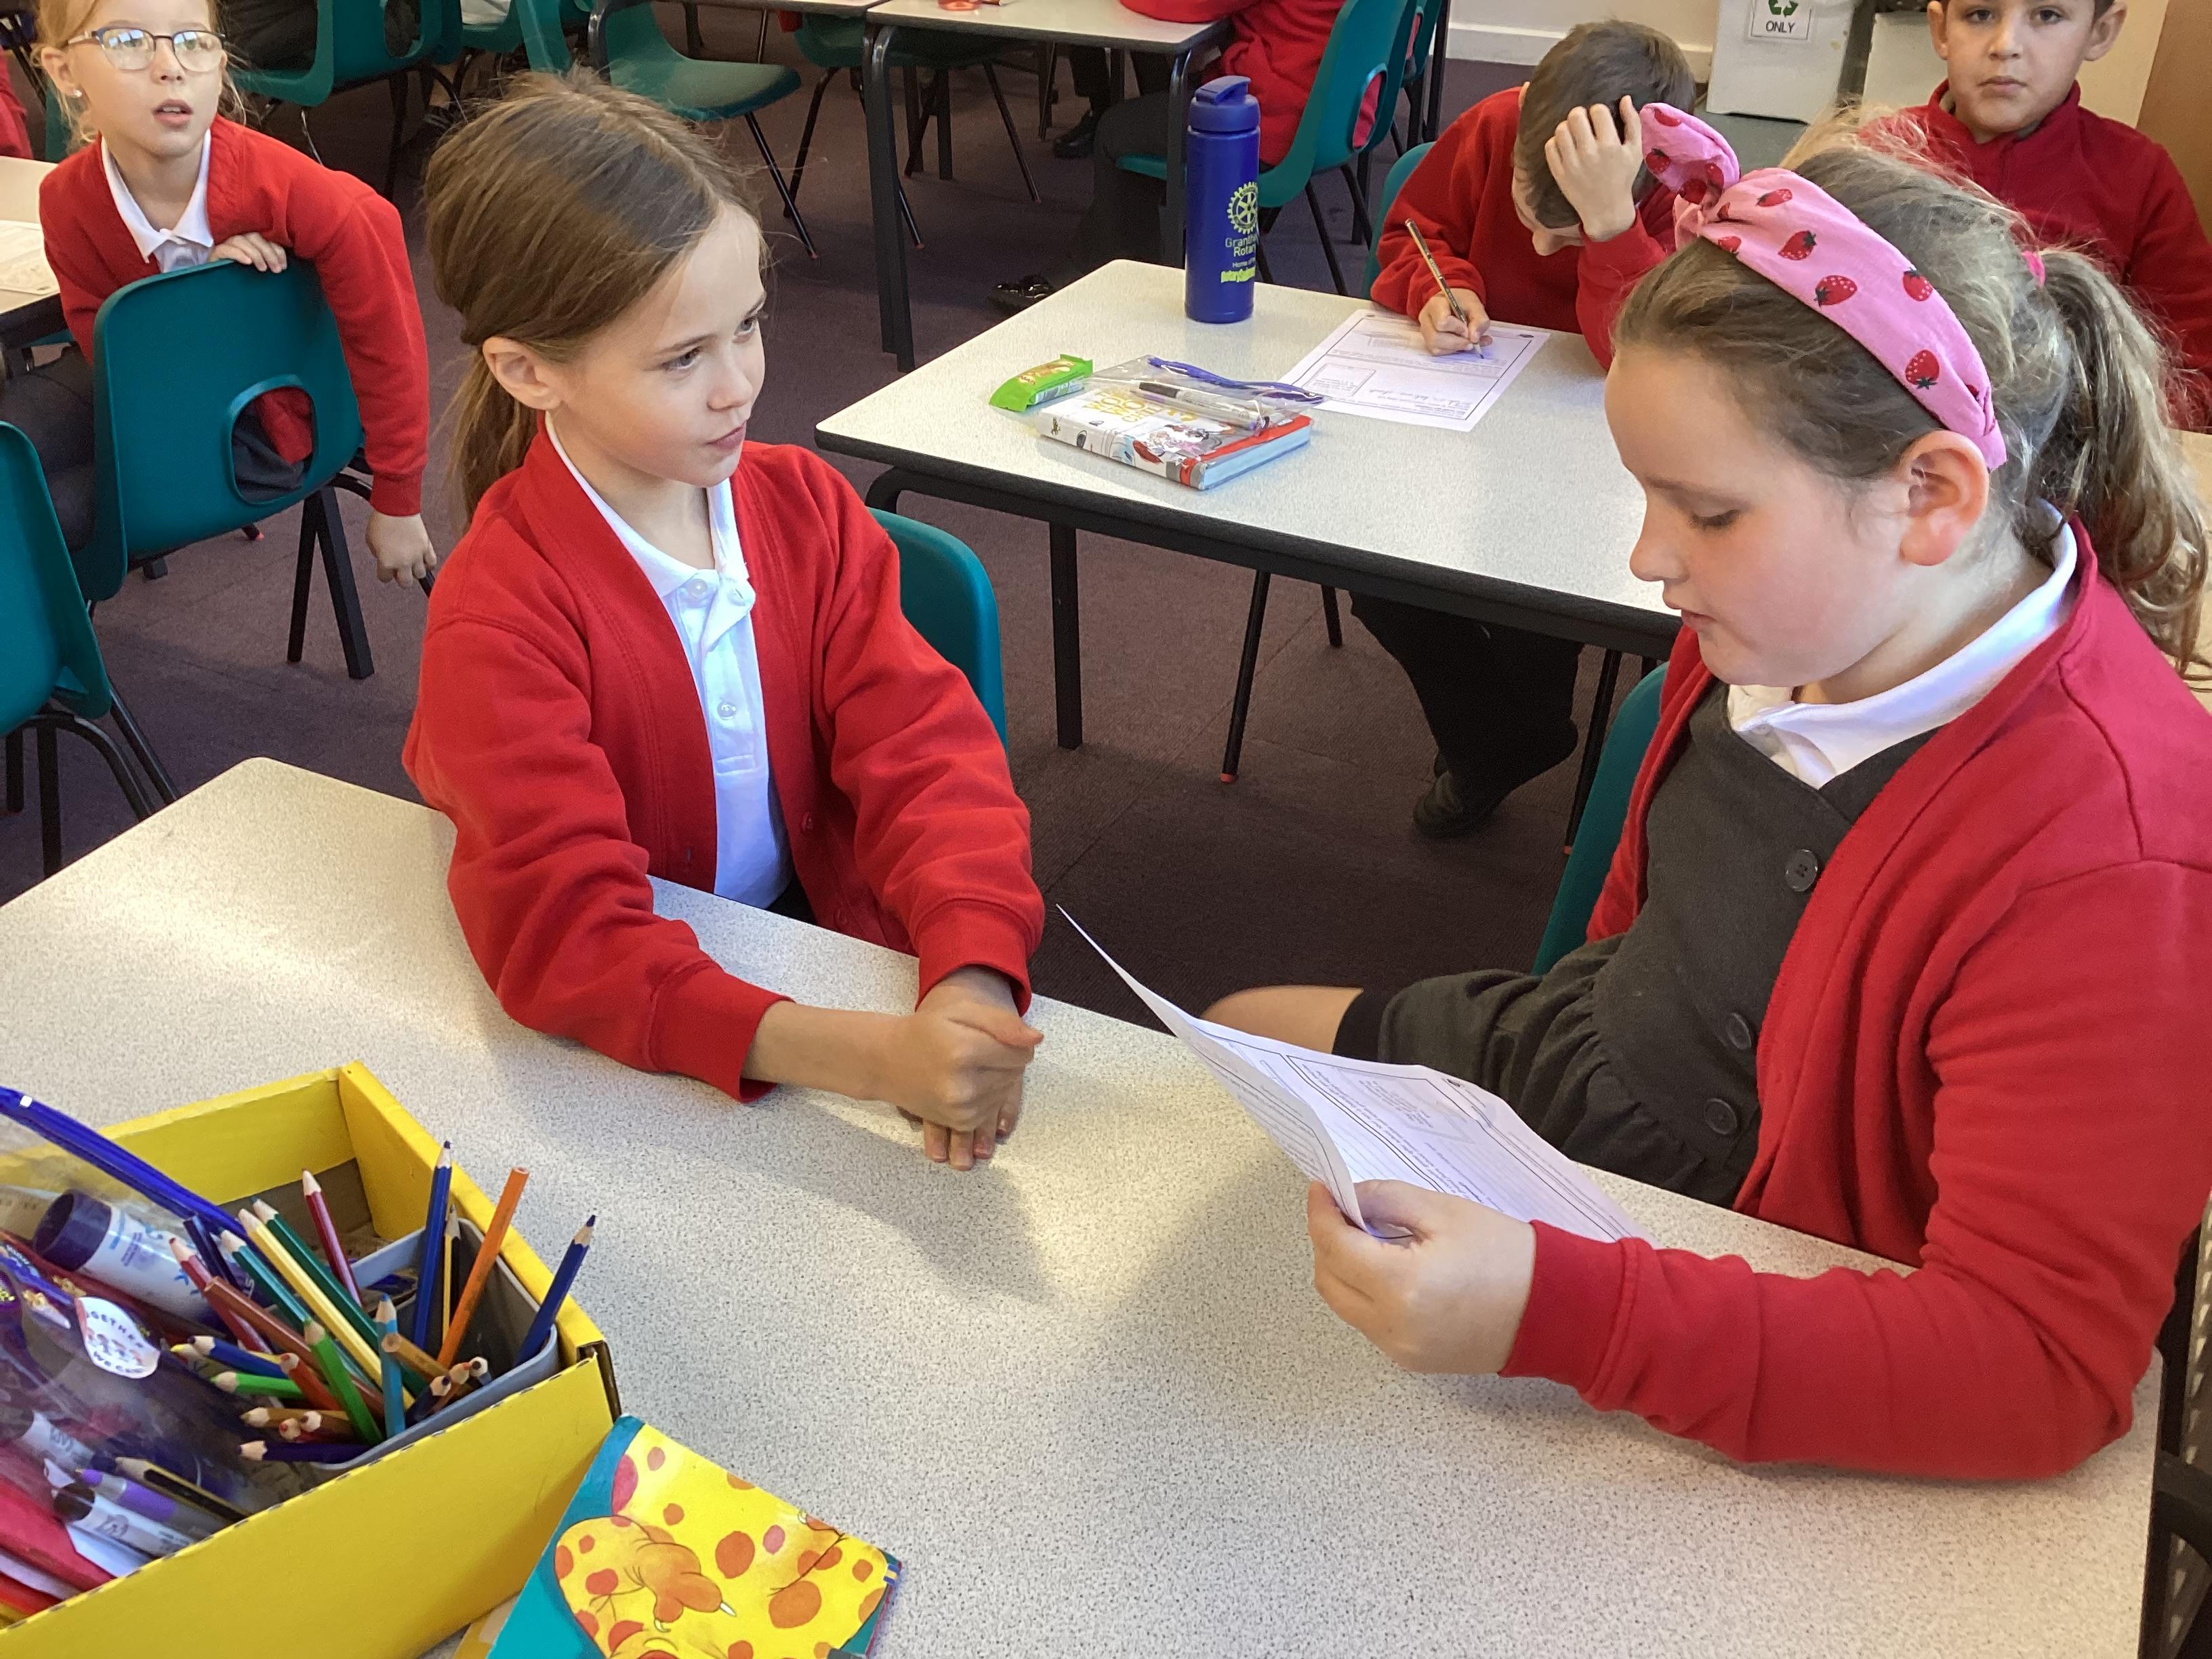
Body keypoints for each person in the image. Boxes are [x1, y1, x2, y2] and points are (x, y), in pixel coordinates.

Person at [1206, 109, 2212, 1477]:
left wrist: (1558, 1307)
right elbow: (1634, 916)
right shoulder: (1782, 623)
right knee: (1231, 1046)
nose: (1648, 556)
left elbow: (2038, 1364)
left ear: (1930, 495)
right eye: (1648, 496)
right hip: (1594, 1055)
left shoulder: (2114, 853)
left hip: (1762, 1236)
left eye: (1706, 511)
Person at [412, 73, 1047, 1173]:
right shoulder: (499, 615)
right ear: (528, 371)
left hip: (814, 954)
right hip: (661, 1060)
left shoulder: (803, 507)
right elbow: (570, 939)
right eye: (681, 359)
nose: (738, 385)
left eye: (747, 326)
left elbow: (930, 756)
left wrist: (971, 976)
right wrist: (872, 1058)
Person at [1359, 22, 1694, 838]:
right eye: (1527, 214)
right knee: (1373, 567)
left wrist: (1613, 233)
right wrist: (1441, 289)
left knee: (1534, 604)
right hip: (1470, 417)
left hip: (1598, 455)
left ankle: (1491, 744)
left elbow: (1641, 353)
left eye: (1567, 234)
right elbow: (1411, 235)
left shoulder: (1684, 188)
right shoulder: (1495, 125)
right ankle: (1508, 741)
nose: (1543, 247)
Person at [28, 0, 435, 578]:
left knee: (35, 515)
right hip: (146, 387)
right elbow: (98, 333)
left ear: (220, 67)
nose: (170, 67)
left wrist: (399, 497)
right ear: (64, 70)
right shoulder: (66, 199)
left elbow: (387, 340)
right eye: (127, 42)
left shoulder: (291, 190)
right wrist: (196, 297)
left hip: (264, 425)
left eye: (193, 42)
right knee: (13, 448)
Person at [1874, 0, 2211, 424]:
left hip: (2073, 452)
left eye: (2047, 15)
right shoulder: (1872, 158)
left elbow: (2194, 371)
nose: (2006, 45)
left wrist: (2097, 437)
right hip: (1886, 443)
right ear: (1941, 30)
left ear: (2100, 32)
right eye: (1980, 15)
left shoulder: (2140, 175)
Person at [990, 0, 1345, 312]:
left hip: (1266, 117)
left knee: (1117, 130)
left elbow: (1188, 5)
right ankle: (1145, 250)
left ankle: (1107, 279)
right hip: (1335, 115)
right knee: (1165, 103)